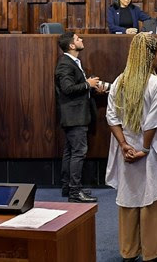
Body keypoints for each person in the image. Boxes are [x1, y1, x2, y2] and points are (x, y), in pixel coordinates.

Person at [106, 33, 157, 262]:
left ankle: (129, 250)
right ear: (151, 56)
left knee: (129, 196)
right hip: (149, 150)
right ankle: (153, 251)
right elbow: (154, 122)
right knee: (152, 197)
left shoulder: (119, 81)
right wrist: (143, 150)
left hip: (125, 150)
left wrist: (125, 145)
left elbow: (111, 117)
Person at [55, 32, 106, 203]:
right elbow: (67, 89)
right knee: (78, 153)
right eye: (78, 39)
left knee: (70, 152)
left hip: (75, 115)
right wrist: (87, 84)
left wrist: (90, 86)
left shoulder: (72, 62)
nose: (81, 40)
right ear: (71, 45)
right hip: (74, 116)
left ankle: (68, 187)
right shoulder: (65, 64)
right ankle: (75, 192)